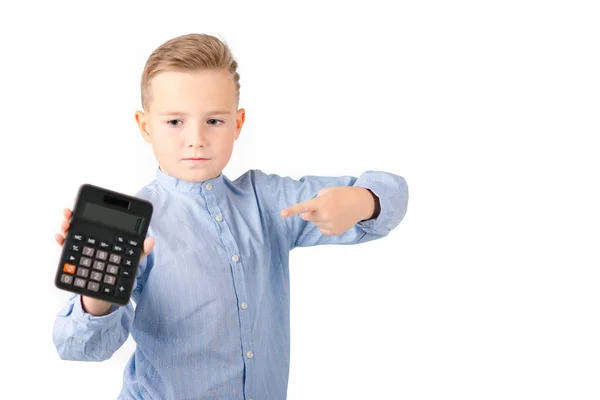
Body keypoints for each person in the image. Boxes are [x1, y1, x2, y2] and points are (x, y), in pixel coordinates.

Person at [53, 33, 409, 400]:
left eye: (214, 121)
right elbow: (77, 347)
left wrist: (362, 201)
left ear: (238, 124)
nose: (196, 139)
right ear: (146, 126)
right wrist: (96, 294)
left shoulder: (268, 200)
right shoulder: (136, 228)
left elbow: (394, 192)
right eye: (175, 121)